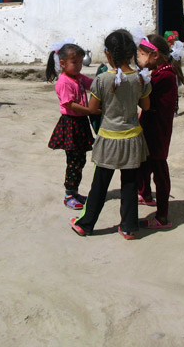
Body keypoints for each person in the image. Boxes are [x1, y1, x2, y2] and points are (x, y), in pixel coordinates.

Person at [69, 29, 151, 240]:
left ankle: (85, 224)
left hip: (109, 139)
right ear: (132, 53)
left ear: (108, 53)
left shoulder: (103, 79)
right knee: (130, 184)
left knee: (99, 185)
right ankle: (129, 227)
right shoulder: (141, 78)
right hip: (132, 139)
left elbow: (93, 108)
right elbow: (146, 106)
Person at [135, 32, 184, 229]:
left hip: (157, 131)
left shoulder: (164, 76)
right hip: (150, 127)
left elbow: (147, 101)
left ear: (154, 55)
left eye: (141, 54)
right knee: (144, 164)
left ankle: (162, 216)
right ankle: (146, 194)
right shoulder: (160, 72)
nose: (138, 58)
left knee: (159, 171)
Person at [46, 42, 98, 210]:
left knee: (80, 159)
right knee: (74, 161)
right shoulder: (64, 82)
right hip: (71, 124)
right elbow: (70, 105)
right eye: (74, 62)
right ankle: (69, 195)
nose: (79, 66)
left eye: (81, 62)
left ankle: (74, 192)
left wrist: (105, 79)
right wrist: (90, 110)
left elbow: (93, 84)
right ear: (63, 63)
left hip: (80, 123)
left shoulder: (79, 78)